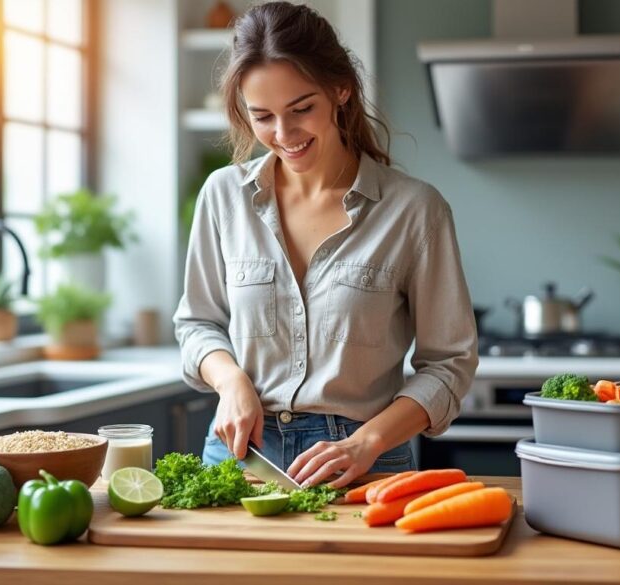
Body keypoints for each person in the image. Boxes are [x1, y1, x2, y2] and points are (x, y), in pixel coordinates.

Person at [174, 1, 478, 489]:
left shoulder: (414, 210)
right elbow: (198, 324)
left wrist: (368, 442)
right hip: (240, 456)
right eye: (262, 116)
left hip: (363, 466)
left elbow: (449, 364)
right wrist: (231, 383)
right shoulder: (222, 197)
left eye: (301, 109)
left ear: (341, 90)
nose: (283, 134)